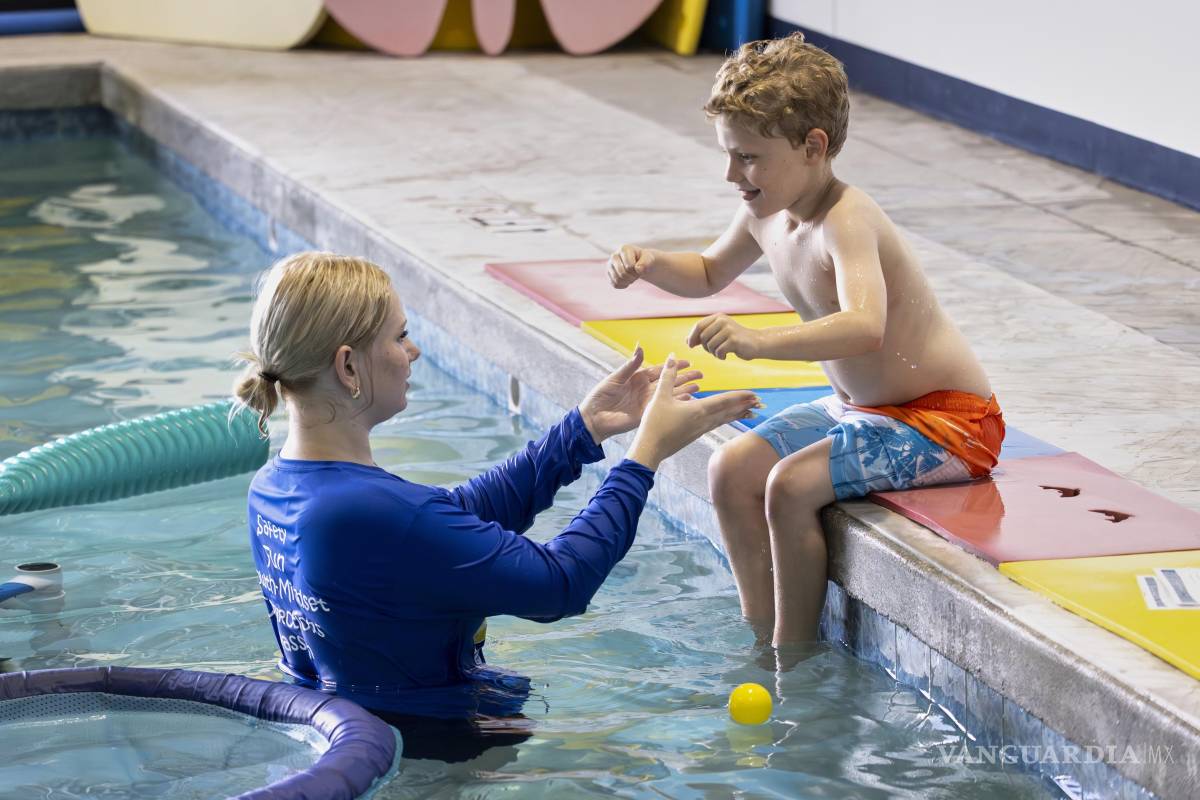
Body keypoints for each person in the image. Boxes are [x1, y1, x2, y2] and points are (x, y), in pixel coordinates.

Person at [232, 251, 758, 761]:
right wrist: (645, 457)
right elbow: (559, 584)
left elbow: (454, 516)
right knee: (650, 763)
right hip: (436, 754)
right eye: (399, 336)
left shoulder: (275, 487)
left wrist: (583, 430)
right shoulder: (370, 512)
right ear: (348, 365)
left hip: (354, 739)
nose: (412, 352)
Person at [607, 33, 1004, 647]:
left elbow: (864, 326)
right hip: (865, 412)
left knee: (790, 486)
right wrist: (650, 262)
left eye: (748, 157)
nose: (731, 173)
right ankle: (759, 628)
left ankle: (793, 654)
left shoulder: (846, 218)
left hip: (943, 423)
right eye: (729, 154)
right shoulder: (765, 210)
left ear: (813, 147)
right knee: (730, 468)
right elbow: (710, 272)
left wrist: (758, 343)